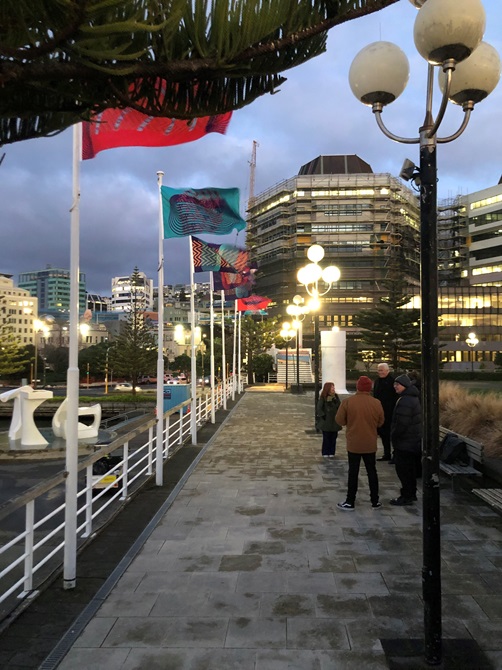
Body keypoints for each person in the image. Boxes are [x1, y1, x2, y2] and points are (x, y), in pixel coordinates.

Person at [335, 376, 385, 510]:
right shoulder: (376, 403)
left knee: (353, 472)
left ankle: (350, 501)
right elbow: (381, 422)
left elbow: (339, 420)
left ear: (357, 387)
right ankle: (375, 501)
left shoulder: (348, 402)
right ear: (370, 388)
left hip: (354, 443)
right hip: (370, 443)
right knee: (372, 472)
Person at [389, 374, 422, 506]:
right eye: (395, 384)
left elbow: (402, 423)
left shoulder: (405, 401)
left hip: (405, 442)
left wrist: (394, 436)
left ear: (405, 386)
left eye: (398, 384)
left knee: (404, 471)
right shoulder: (411, 398)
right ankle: (410, 494)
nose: (395, 386)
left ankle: (407, 496)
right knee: (409, 470)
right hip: (412, 441)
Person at [373, 362, 399, 462]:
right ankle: (386, 454)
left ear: (388, 371)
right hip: (380, 413)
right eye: (379, 370)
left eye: (382, 370)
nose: (380, 372)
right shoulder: (377, 381)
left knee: (391, 435)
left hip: (390, 413)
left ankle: (395, 455)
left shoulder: (393, 382)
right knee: (383, 435)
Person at [316, 381, 342, 459]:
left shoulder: (336, 397)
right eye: (332, 387)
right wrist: (323, 415)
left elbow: (340, 407)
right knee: (326, 438)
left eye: (333, 387)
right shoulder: (323, 397)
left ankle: (332, 452)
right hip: (326, 421)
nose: (333, 388)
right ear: (328, 388)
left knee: (333, 437)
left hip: (334, 421)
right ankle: (325, 452)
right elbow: (319, 407)